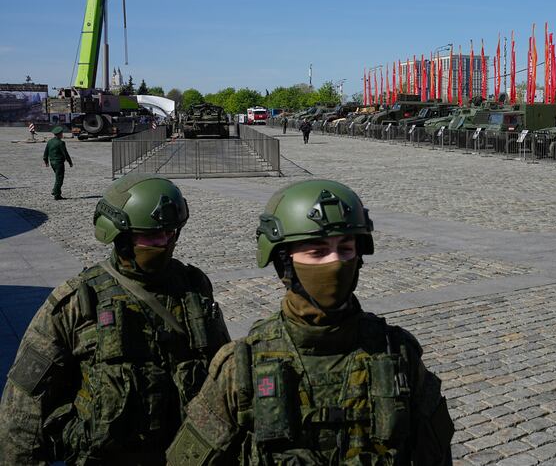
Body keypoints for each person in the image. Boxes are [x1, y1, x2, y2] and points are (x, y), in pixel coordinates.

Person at [167, 179, 454, 465]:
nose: (335, 262)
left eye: (345, 248)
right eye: (317, 252)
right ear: (285, 263)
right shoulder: (242, 366)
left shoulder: (397, 353)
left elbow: (437, 455)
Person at [0, 174, 231, 464]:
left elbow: (223, 376)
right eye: (150, 236)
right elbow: (22, 410)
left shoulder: (194, 289)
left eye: (170, 233)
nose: (164, 242)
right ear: (120, 237)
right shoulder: (78, 303)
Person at [42, 125, 72, 200]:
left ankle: (56, 193)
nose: (62, 135)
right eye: (62, 133)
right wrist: (70, 162)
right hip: (59, 163)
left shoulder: (49, 142)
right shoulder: (61, 143)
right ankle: (56, 192)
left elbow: (46, 152)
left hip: (52, 162)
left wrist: (46, 161)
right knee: (59, 179)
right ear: (59, 134)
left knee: (57, 177)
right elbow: (65, 153)